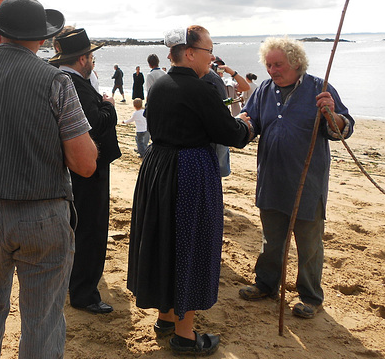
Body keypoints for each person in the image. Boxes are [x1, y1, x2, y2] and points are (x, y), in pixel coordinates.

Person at [0, 0, 97, 359]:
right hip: (41, 211)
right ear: (42, 39)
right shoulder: (55, 80)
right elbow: (85, 164)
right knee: (41, 317)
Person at [127, 26, 251, 356]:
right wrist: (249, 124)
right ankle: (184, 335)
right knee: (191, 245)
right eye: (209, 51)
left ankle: (166, 317)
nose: (213, 58)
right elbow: (232, 134)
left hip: (158, 167)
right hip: (190, 171)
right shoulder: (201, 90)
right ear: (191, 52)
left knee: (165, 240)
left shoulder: (161, 85)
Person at [238, 36, 354, 319]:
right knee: (271, 239)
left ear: (297, 63)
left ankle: (310, 296)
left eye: (279, 64)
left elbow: (344, 129)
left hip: (308, 184)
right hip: (271, 179)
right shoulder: (264, 89)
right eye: (269, 65)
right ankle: (266, 284)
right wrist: (242, 122)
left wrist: (332, 114)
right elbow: (251, 122)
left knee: (309, 244)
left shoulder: (320, 88)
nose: (273, 70)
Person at [49, 28, 121, 315]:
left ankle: (77, 284)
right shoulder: (75, 84)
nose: (92, 60)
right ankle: (84, 293)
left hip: (75, 166)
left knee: (79, 227)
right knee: (91, 229)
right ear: (82, 59)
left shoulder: (63, 79)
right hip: (90, 166)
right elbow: (94, 123)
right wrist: (109, 106)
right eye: (90, 55)